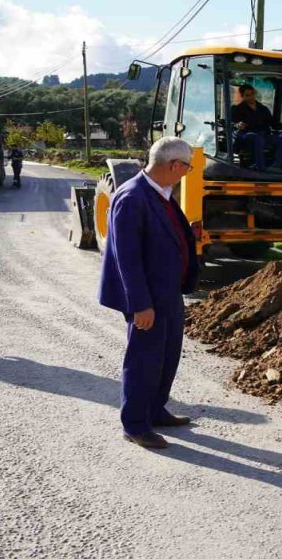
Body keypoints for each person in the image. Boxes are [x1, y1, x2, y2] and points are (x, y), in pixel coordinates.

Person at [98, 137, 200, 449]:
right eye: (187, 167)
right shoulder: (131, 197)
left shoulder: (161, 194)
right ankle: (135, 424)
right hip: (148, 298)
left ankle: (155, 410)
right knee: (144, 359)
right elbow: (126, 259)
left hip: (168, 292)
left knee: (167, 356)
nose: (188, 172)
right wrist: (140, 305)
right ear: (174, 165)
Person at [230, 85, 282, 173]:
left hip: (264, 134)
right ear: (242, 96)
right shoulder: (237, 109)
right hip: (245, 135)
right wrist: (237, 125)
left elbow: (273, 124)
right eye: (247, 95)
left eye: (252, 94)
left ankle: (277, 165)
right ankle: (261, 168)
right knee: (257, 138)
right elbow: (231, 124)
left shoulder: (263, 109)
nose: (251, 97)